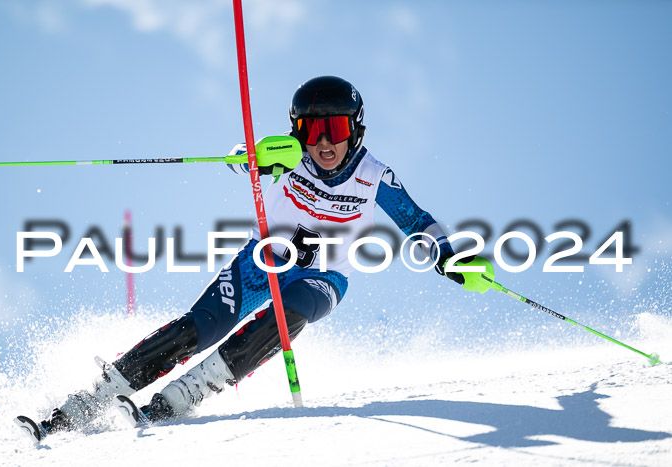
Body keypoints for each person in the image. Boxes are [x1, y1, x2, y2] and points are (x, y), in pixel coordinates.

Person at [32, 75, 476, 434]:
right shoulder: (289, 154)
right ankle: (91, 401)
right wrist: (255, 157)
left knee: (292, 309)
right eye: (310, 129)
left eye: (335, 129)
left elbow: (416, 220)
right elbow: (237, 157)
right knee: (199, 327)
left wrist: (449, 254)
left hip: (323, 278)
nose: (323, 143)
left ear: (355, 128)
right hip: (261, 261)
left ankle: (184, 396)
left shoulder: (374, 176)